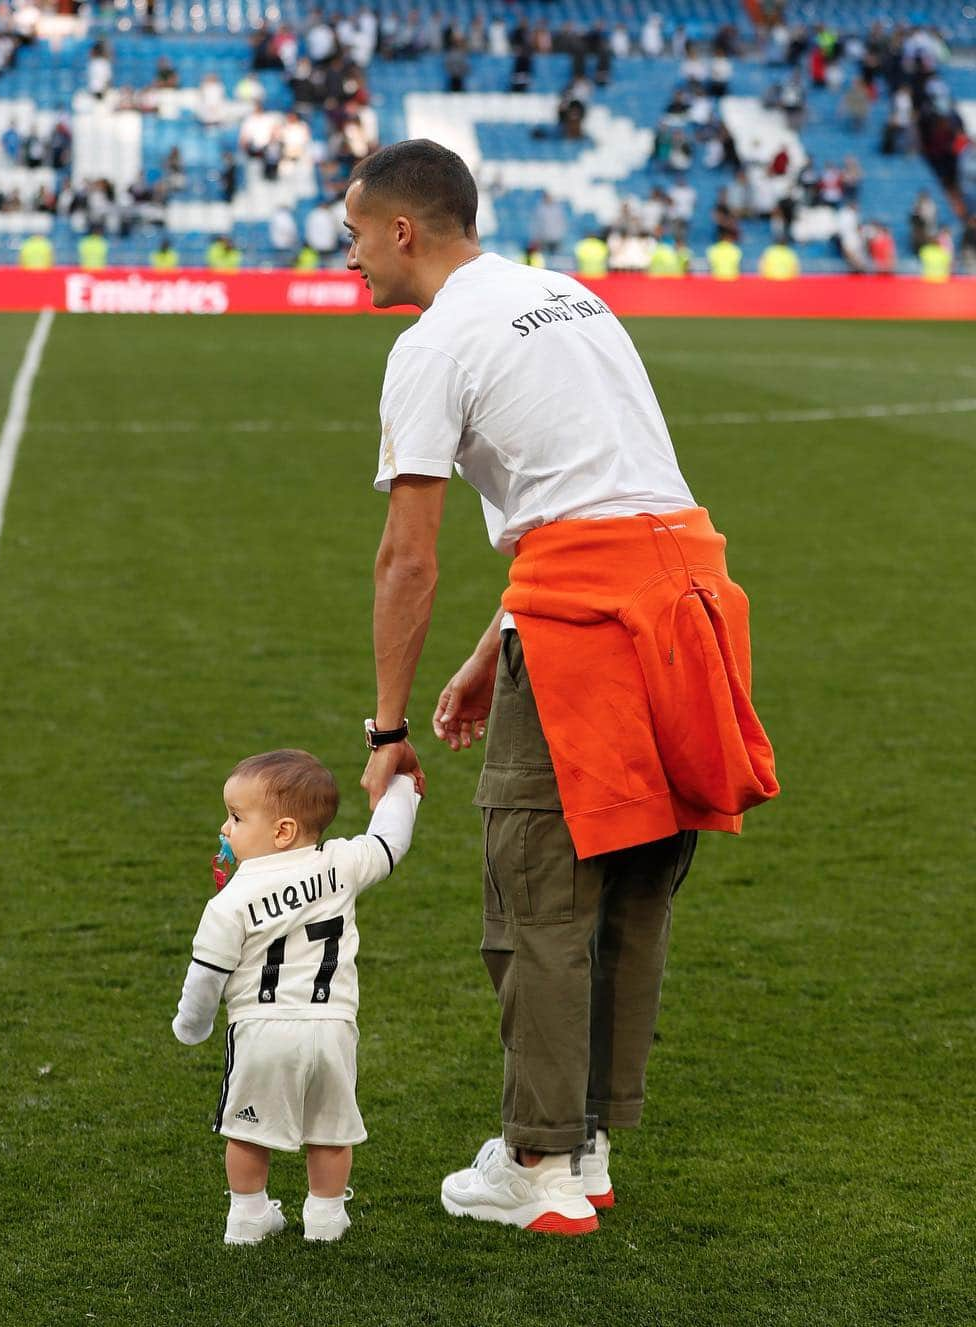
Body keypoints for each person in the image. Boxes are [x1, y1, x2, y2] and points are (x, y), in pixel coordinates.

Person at [343, 140, 778, 1237]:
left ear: (403, 231)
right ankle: (586, 1140)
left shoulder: (432, 342)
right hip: (688, 600)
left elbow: (409, 559)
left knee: (538, 886)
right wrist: (497, 646)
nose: (346, 256)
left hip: (592, 620)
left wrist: (386, 726)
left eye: (353, 233)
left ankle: (538, 1164)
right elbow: (606, 493)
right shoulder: (566, 294)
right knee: (634, 876)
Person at [172, 750, 419, 1244]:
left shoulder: (230, 901)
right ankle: (326, 1217)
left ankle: (247, 1216)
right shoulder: (342, 862)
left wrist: (191, 1026)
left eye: (236, 817)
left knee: (246, 1130)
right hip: (332, 1027)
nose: (224, 828)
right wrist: (403, 788)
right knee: (330, 1130)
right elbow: (389, 842)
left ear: (282, 831)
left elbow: (206, 974)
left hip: (262, 1028)